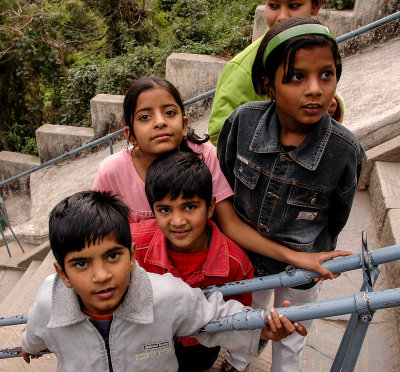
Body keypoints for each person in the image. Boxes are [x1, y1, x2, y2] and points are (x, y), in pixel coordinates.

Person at [92, 75, 350, 284]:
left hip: (200, 276)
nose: (159, 122)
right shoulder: (112, 171)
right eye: (145, 117)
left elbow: (231, 225)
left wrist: (297, 257)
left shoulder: (203, 156)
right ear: (130, 133)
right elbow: (99, 236)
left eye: (169, 112)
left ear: (184, 124)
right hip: (139, 280)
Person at [217, 18, 366, 372]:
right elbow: (223, 185)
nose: (315, 89)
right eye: (297, 76)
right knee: (250, 319)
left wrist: (308, 258)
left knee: (292, 334)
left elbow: (336, 218)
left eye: (326, 75)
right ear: (269, 85)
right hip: (245, 258)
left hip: (303, 270)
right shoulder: (242, 123)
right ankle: (237, 361)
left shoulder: (345, 153)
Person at [21, 191, 305, 371]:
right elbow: (34, 333)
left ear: (132, 257)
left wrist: (261, 327)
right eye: (81, 264)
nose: (102, 275)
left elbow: (213, 316)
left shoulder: (166, 295)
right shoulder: (49, 304)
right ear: (63, 274)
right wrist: (28, 347)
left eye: (112, 256)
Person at [132, 151, 255, 371]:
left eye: (189, 206)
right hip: (148, 341)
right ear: (153, 211)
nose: (178, 221)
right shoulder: (133, 246)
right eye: (165, 210)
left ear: (210, 207)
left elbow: (237, 316)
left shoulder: (235, 263)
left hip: (200, 346)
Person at [208, 0, 344, 147]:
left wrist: (333, 104)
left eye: (294, 5)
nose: (282, 17)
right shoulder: (244, 66)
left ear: (316, 5)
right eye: (274, 6)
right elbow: (219, 131)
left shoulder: (323, 48)